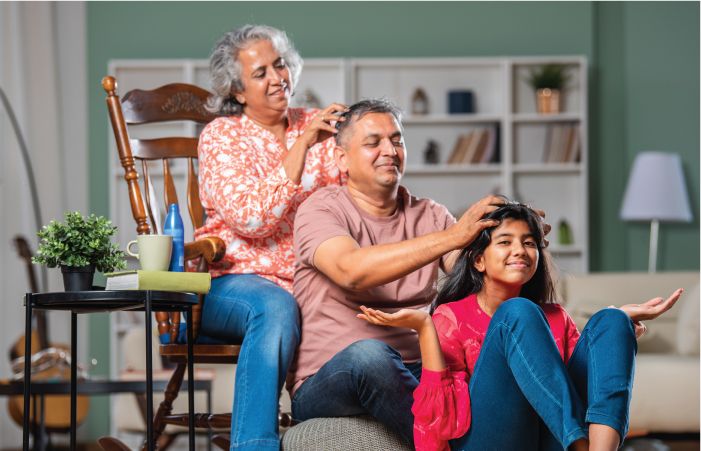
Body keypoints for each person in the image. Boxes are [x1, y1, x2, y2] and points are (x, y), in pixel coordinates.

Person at [359, 202, 683, 451]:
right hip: (489, 441)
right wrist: (425, 329)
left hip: (548, 440)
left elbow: (578, 383)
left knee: (613, 319)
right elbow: (437, 421)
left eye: (529, 243)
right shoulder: (451, 317)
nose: (520, 251)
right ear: (478, 260)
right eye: (505, 242)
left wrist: (615, 328)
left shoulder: (555, 316)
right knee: (518, 313)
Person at [288, 98, 509, 446]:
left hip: (420, 370)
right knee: (370, 355)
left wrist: (513, 236)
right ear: (342, 159)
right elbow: (351, 271)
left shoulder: (430, 215)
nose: (389, 150)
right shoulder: (320, 208)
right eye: (373, 142)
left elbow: (471, 277)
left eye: (397, 139)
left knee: (488, 356)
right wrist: (453, 236)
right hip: (331, 378)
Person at [194, 24, 347, 450]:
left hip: (312, 282)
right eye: (260, 72)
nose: (277, 78)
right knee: (276, 308)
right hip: (233, 285)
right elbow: (251, 219)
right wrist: (302, 148)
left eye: (280, 65)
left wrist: (360, 139)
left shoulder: (317, 126)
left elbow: (357, 198)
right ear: (238, 91)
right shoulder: (222, 137)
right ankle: (254, 444)